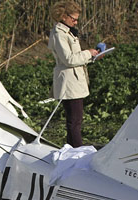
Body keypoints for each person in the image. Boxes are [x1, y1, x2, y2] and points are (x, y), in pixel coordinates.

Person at [48, 1, 99, 148]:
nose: (76, 22)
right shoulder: (59, 34)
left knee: (74, 120)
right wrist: (87, 53)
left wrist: (92, 56)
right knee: (74, 121)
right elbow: (69, 59)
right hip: (69, 82)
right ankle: (77, 151)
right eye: (74, 19)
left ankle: (72, 149)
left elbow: (75, 58)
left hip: (74, 80)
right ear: (64, 16)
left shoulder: (67, 31)